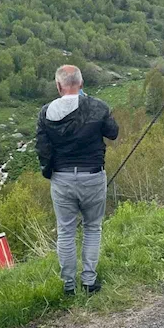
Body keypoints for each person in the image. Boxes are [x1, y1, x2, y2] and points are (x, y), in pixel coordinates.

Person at [35, 65, 119, 295]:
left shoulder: (45, 113)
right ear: (81, 84)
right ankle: (89, 282)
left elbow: (42, 149)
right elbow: (113, 132)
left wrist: (50, 172)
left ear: (58, 86)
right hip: (92, 175)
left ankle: (68, 286)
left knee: (66, 232)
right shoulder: (97, 107)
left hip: (62, 179)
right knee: (93, 228)